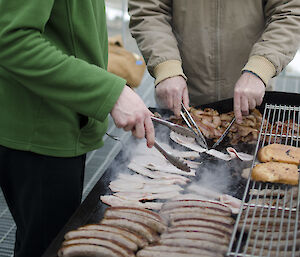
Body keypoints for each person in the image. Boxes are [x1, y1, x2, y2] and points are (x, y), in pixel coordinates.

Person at [0, 1, 155, 257]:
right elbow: (12, 39)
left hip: (59, 119)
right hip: (41, 132)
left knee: (35, 243)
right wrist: (110, 93)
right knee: (47, 248)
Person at [128, 0, 300, 123]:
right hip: (182, 99)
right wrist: (166, 67)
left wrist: (261, 67)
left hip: (252, 99)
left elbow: (289, 12)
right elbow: (148, 10)